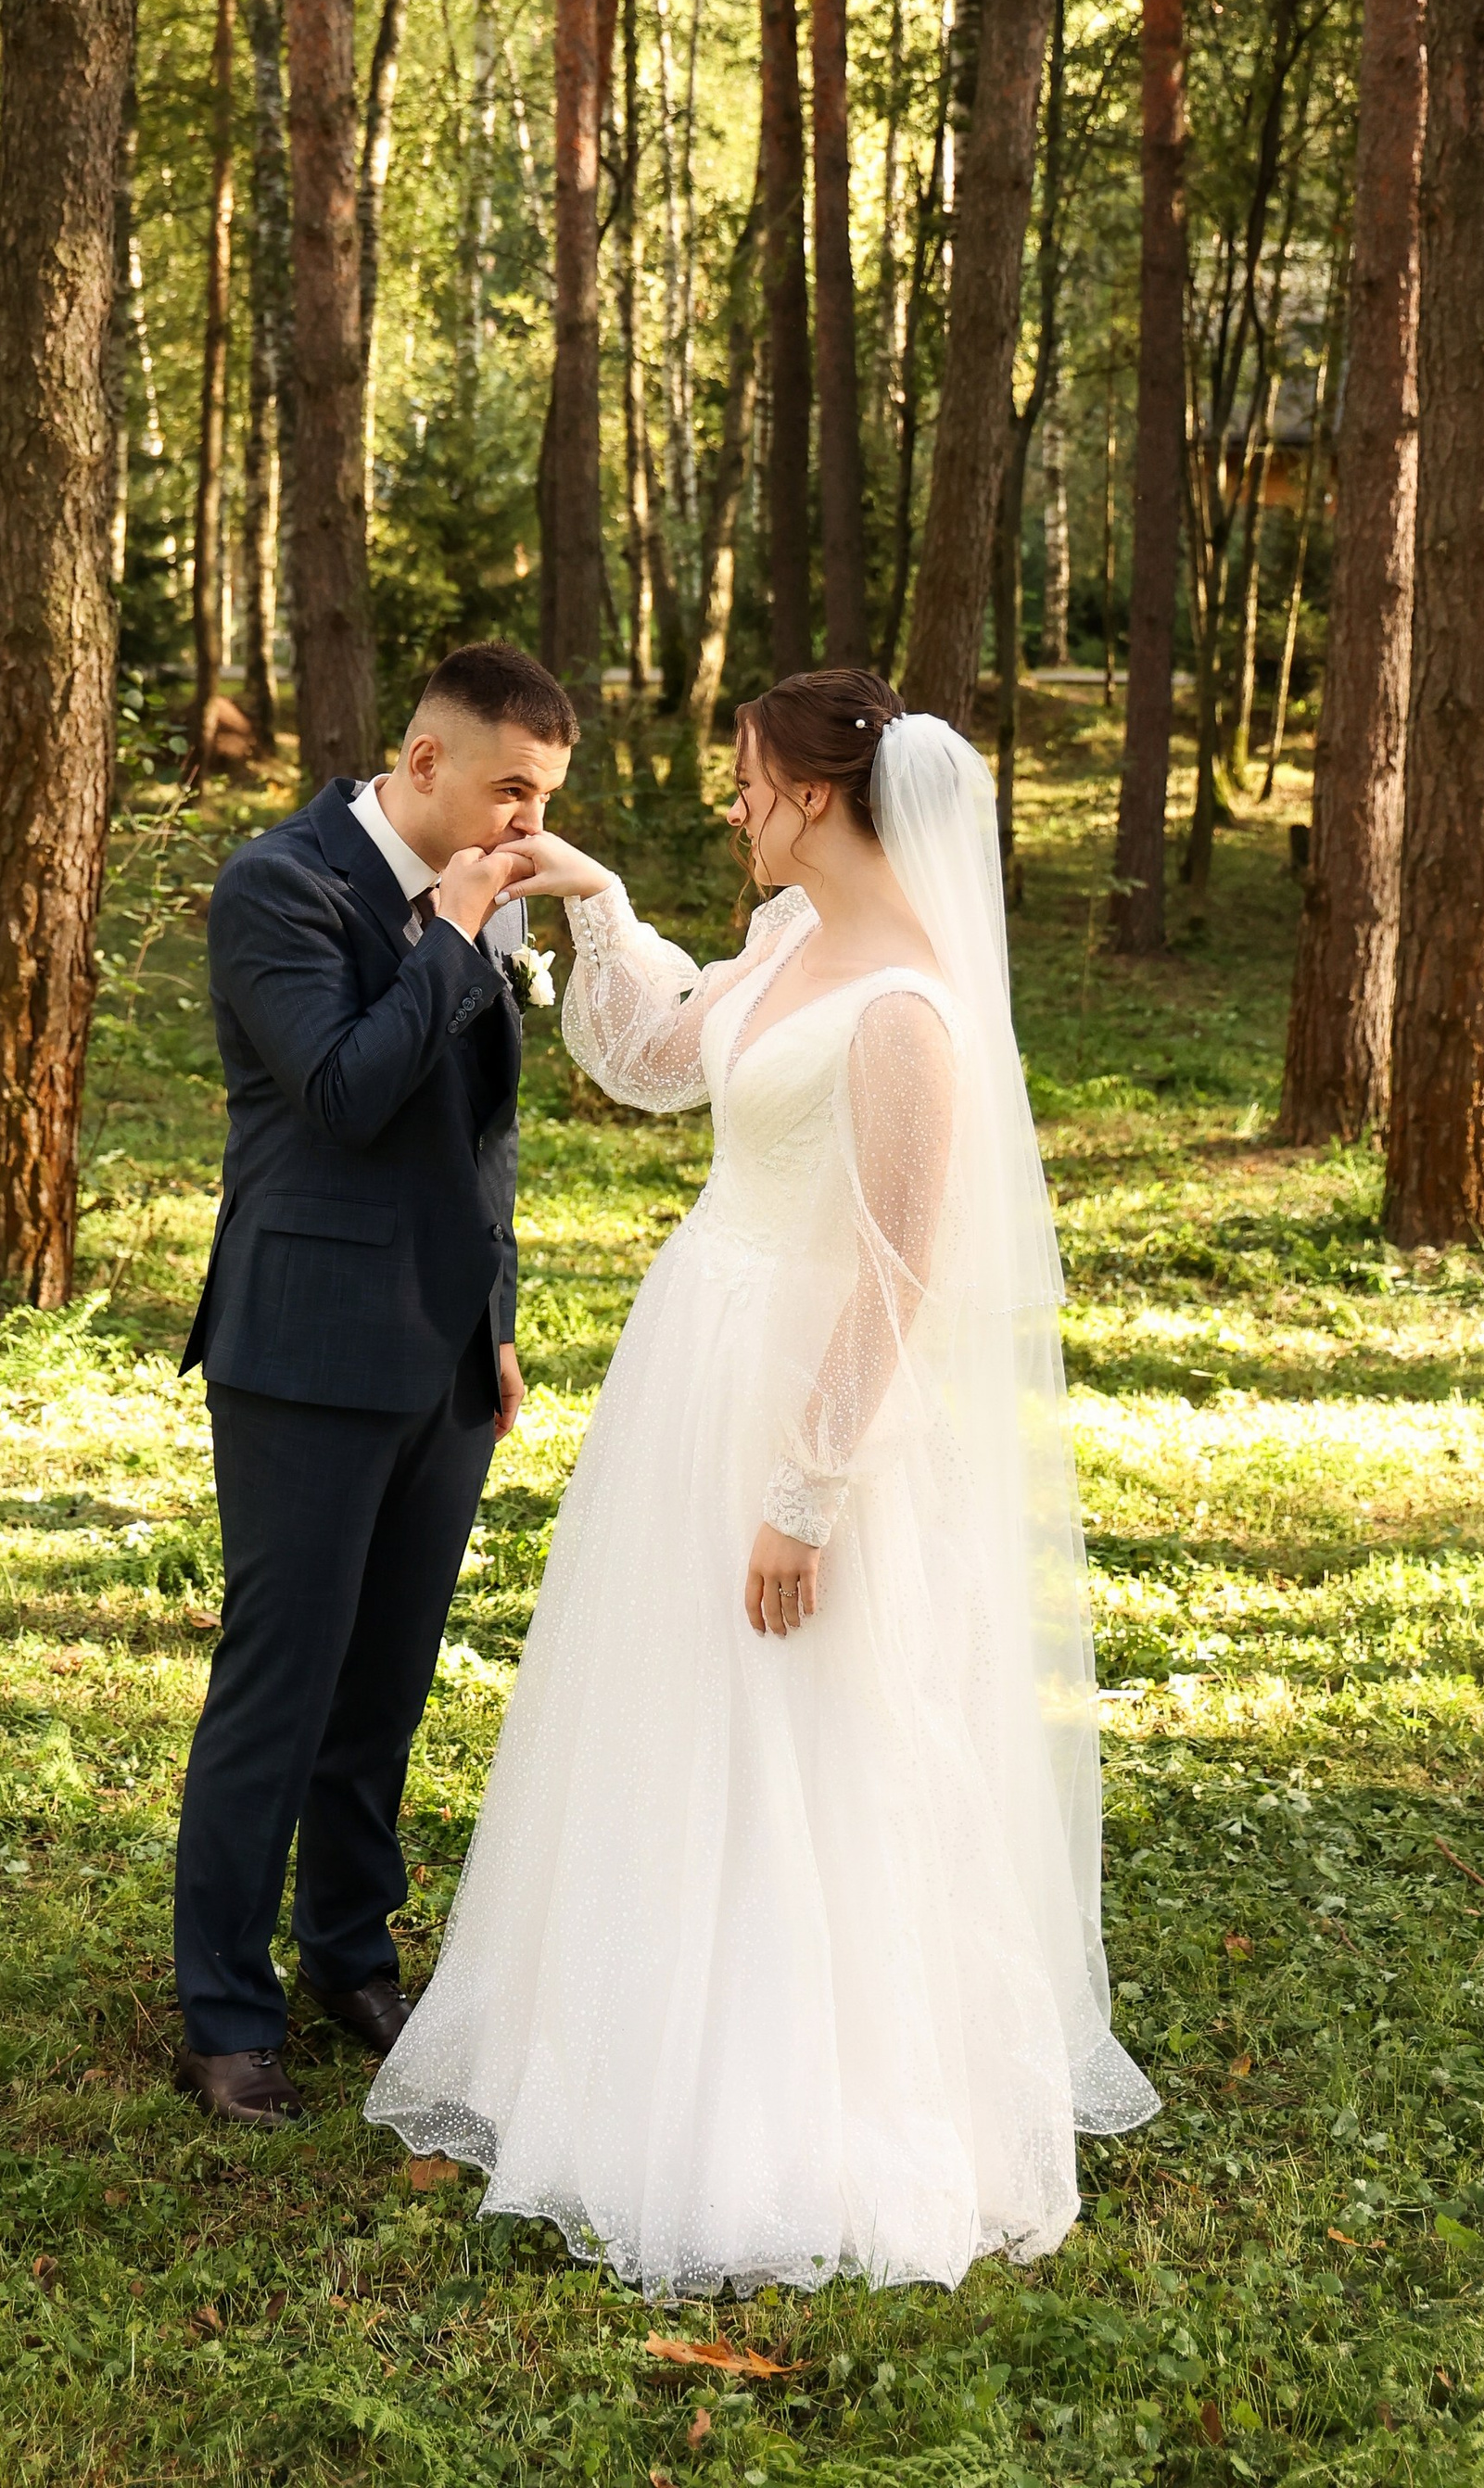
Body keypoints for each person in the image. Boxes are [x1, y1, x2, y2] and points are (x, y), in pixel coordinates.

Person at [367, 667, 1158, 2292]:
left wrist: (807, 1496)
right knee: (669, 1706)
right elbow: (660, 1054)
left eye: (744, 779)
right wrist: (598, 904)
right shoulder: (796, 945)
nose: (732, 801)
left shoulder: (910, 1011)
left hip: (806, 1409)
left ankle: (783, 2106)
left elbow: (897, 1277)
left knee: (806, 1730)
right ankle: (620, 2035)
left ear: (812, 793)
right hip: (695, 1368)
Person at [171, 641, 579, 2124]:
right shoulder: (278, 888)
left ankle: (348, 1949)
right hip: (306, 1349)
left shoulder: (474, 893)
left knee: (387, 1684)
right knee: (278, 1687)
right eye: (509, 791)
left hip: (447, 1357)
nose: (525, 824)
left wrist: (502, 1313)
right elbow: (345, 1093)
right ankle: (224, 2008)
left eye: (542, 799)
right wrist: (461, 931)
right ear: (422, 765)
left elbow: (481, 1136)